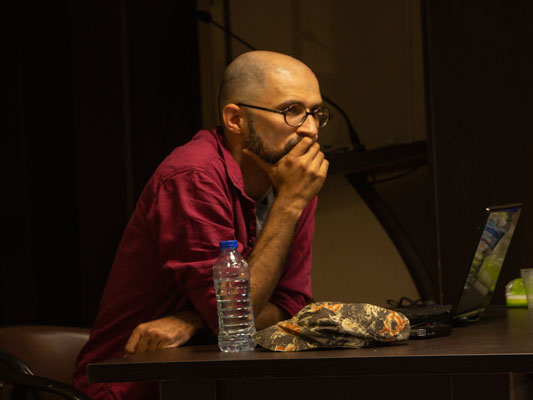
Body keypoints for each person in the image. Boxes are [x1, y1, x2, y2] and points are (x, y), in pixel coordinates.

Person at [74, 50, 331, 399]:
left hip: (218, 380)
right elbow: (231, 320)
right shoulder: (192, 176)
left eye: (316, 113)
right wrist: (289, 205)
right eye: (292, 111)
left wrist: (191, 322)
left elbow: (292, 305)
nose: (311, 130)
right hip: (133, 386)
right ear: (236, 119)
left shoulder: (294, 180)